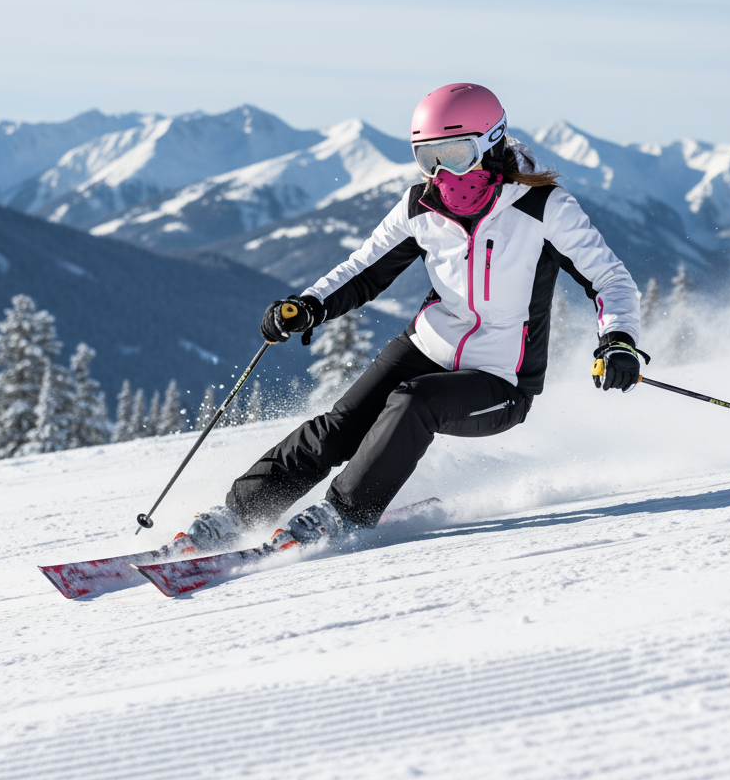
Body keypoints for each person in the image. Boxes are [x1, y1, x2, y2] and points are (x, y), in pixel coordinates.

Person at [178, 83, 645, 552]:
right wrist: (310, 305)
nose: (443, 172)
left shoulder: (543, 208)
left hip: (501, 378)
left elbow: (610, 279)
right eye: (429, 158)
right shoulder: (420, 207)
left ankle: (342, 515)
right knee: (341, 427)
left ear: (491, 141)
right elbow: (363, 270)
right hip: (427, 344)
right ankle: (239, 513)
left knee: (411, 402)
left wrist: (619, 339)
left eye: (456, 154)